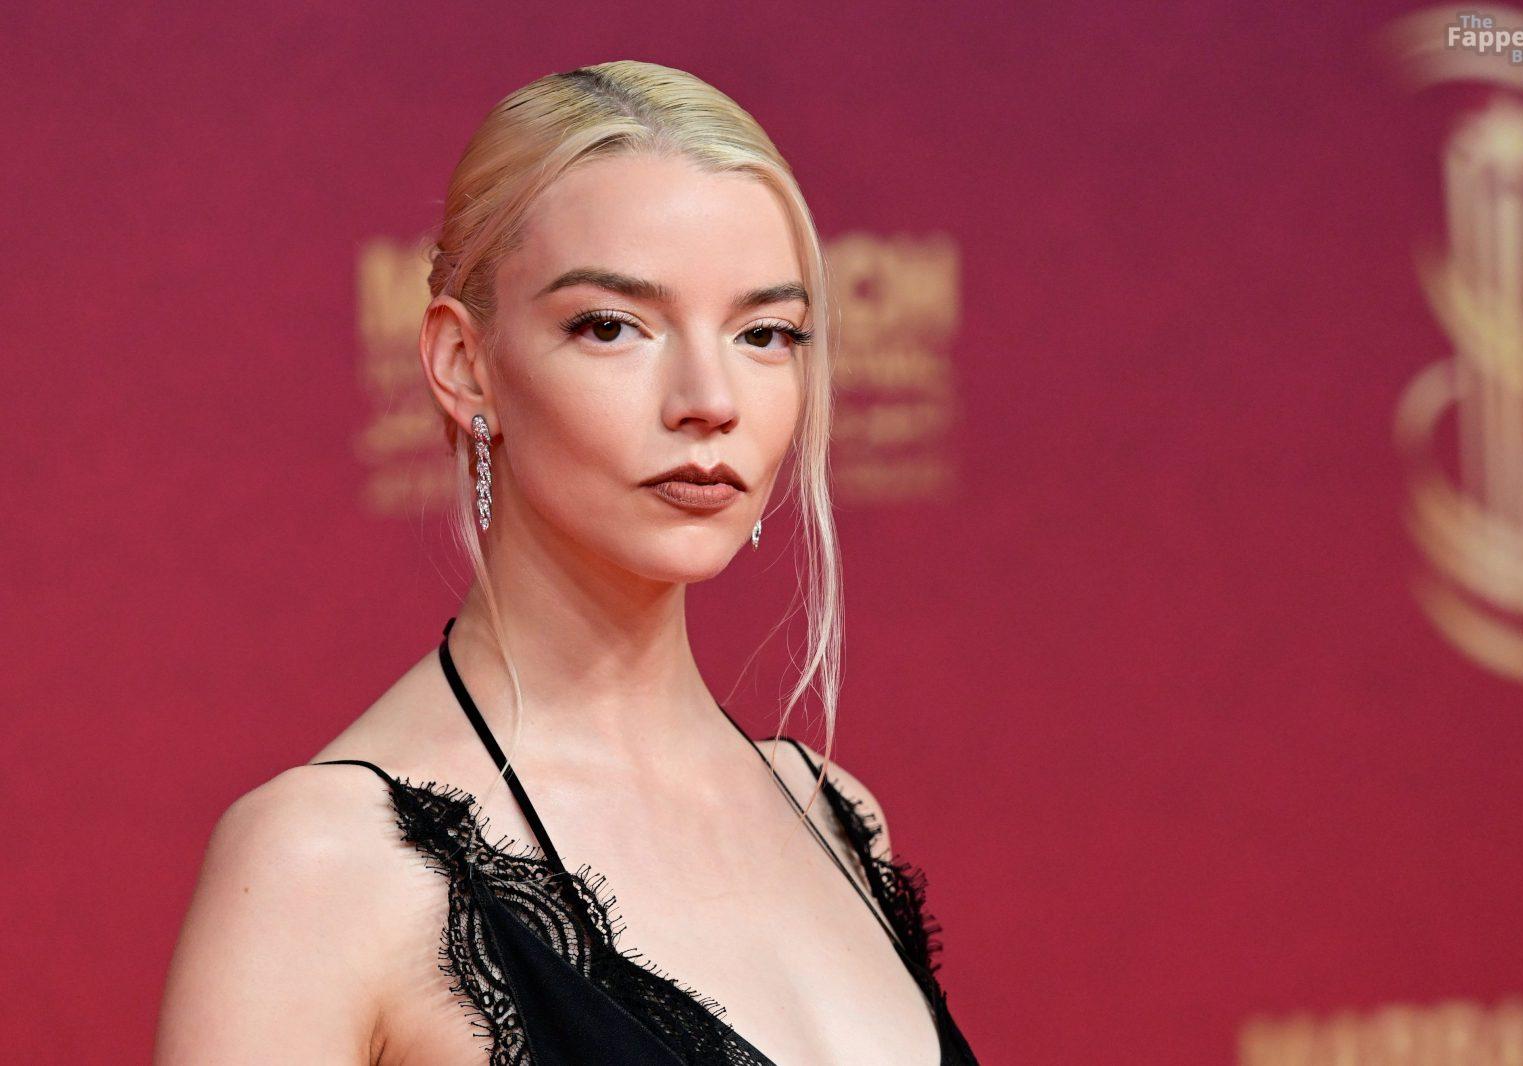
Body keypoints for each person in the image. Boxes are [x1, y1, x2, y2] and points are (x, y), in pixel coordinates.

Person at [155, 60, 979, 1065]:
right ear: (463, 364)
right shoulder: (320, 864)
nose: (709, 399)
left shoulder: (835, 816)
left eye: (765, 333)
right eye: (612, 327)